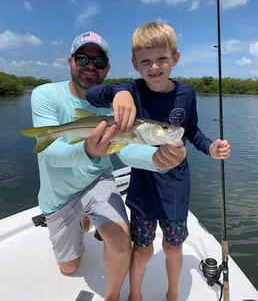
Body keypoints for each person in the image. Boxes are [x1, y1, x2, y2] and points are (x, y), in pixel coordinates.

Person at [31, 30, 187, 301]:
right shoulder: (45, 94)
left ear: (107, 68)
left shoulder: (111, 106)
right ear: (70, 61)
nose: (90, 66)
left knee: (118, 239)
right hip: (58, 194)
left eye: (99, 62)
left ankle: (112, 297)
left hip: (97, 181)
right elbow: (51, 155)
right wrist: (89, 148)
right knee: (69, 268)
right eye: (83, 58)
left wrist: (156, 160)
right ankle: (83, 218)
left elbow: (126, 152)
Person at [86, 22, 231, 301]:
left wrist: (210, 148)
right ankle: (135, 295)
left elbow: (193, 132)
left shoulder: (186, 93)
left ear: (174, 58)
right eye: (146, 61)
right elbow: (93, 94)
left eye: (162, 58)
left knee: (174, 248)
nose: (154, 67)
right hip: (144, 184)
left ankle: (172, 295)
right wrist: (119, 92)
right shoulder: (133, 89)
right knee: (142, 249)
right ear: (135, 63)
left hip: (176, 186)